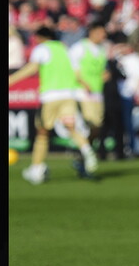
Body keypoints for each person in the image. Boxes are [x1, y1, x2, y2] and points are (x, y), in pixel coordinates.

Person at [8, 26, 99, 183]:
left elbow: (32, 68)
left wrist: (11, 80)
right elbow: (76, 72)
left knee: (42, 133)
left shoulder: (42, 49)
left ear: (40, 37)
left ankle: (36, 169)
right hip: (69, 95)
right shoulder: (65, 49)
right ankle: (87, 150)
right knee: (71, 128)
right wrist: (84, 84)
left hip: (51, 96)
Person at [69, 21, 110, 162]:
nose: (103, 35)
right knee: (90, 123)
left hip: (97, 93)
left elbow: (102, 69)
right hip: (82, 92)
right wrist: (83, 83)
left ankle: (83, 150)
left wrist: (105, 74)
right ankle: (85, 152)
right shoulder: (79, 48)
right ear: (92, 32)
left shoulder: (102, 49)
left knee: (97, 127)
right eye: (101, 32)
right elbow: (72, 69)